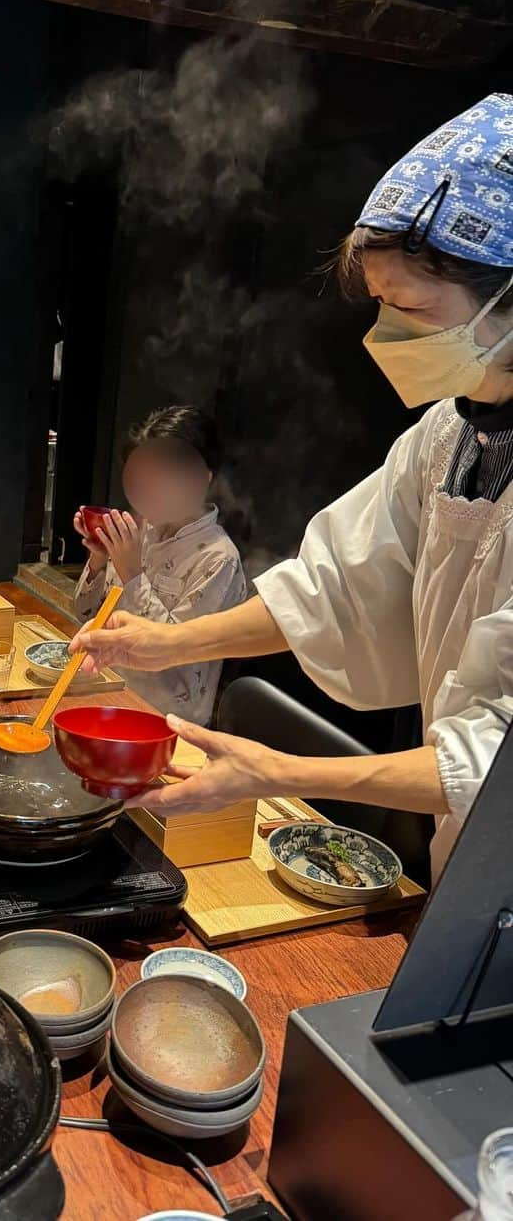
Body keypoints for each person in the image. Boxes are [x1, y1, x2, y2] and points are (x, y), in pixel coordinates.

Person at [71, 92, 513, 879]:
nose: (387, 337)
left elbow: (495, 758)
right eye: (381, 308)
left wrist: (278, 772)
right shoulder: (446, 436)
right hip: (468, 850)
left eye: (410, 308)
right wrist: (161, 639)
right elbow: (329, 590)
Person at [72, 405, 246, 725]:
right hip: (111, 694)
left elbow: (171, 658)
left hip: (167, 721)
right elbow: (85, 616)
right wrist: (99, 557)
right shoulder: (143, 531)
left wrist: (131, 572)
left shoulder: (219, 558)